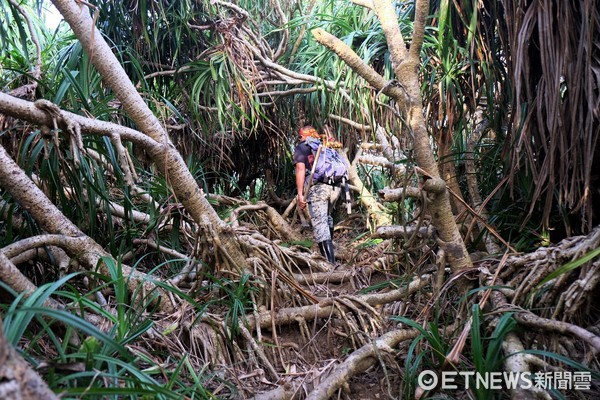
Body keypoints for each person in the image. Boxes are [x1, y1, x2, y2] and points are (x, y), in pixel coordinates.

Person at [293, 125, 341, 264]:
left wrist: (300, 194)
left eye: (300, 136)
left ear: (303, 136)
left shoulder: (302, 147)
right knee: (326, 218)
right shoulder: (324, 145)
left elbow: (300, 170)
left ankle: (329, 263)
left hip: (318, 189)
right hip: (334, 188)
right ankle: (331, 255)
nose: (300, 138)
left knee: (320, 223)